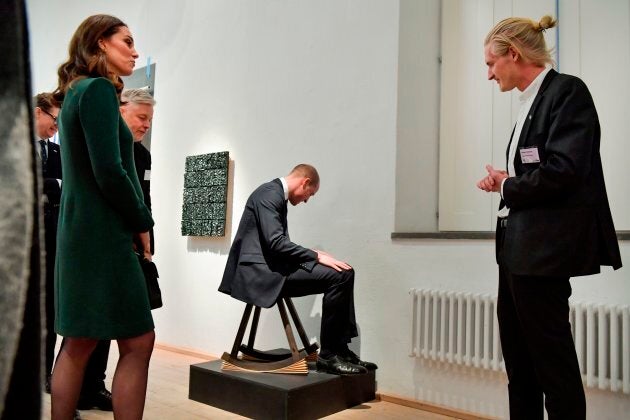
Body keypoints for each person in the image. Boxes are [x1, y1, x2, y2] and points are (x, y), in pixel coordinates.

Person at [476, 15, 622, 420]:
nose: (489, 75)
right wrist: (505, 182)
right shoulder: (529, 104)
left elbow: (565, 170)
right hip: (515, 251)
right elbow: (537, 173)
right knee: (519, 365)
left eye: (491, 64)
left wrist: (508, 186)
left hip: (544, 253)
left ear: (514, 54)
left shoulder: (567, 92)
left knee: (552, 367)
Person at [51, 14, 155, 420]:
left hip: (81, 232)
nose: (134, 50)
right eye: (126, 41)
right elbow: (109, 170)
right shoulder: (96, 90)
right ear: (99, 44)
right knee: (138, 341)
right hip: (102, 235)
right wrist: (141, 221)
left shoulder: (76, 92)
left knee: (79, 341)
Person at [219, 164, 377, 375]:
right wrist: (316, 256)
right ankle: (329, 356)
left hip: (273, 268)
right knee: (338, 277)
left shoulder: (276, 197)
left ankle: (340, 350)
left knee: (345, 272)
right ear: (305, 182)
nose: (306, 200)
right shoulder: (269, 195)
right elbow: (276, 243)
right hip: (259, 274)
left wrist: (314, 259)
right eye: (309, 194)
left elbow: (279, 248)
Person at [77, 88, 157, 412]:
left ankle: (94, 385)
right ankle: (79, 391)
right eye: (141, 117)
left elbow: (144, 198)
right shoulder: (108, 147)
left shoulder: (144, 156)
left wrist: (148, 236)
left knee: (120, 328)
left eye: (150, 120)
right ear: (122, 111)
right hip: (107, 242)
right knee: (90, 330)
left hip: (134, 243)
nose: (146, 125)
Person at [33, 93, 62, 393]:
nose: (57, 126)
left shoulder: (56, 153)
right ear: (38, 113)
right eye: (54, 119)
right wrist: (55, 185)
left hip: (53, 240)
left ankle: (45, 374)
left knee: (50, 311)